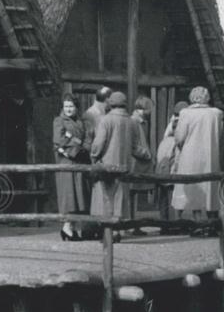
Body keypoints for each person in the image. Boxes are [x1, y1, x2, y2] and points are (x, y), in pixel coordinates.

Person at [90, 92, 150, 226]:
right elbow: (135, 147)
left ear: (111, 103)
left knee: (106, 198)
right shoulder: (131, 122)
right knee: (120, 199)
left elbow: (98, 144)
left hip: (106, 166)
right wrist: (146, 154)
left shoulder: (105, 120)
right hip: (124, 166)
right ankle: (117, 229)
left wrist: (94, 156)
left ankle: (108, 233)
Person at [171, 86, 223, 220]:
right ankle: (211, 221)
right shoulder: (216, 114)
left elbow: (179, 137)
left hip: (190, 155)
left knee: (190, 187)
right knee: (210, 187)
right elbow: (220, 134)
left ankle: (194, 220)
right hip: (210, 155)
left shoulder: (185, 113)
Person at [52, 94, 90, 241]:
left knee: (78, 196)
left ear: (76, 107)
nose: (68, 109)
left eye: (71, 106)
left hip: (80, 161)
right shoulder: (59, 121)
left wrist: (73, 140)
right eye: (66, 106)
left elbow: (86, 140)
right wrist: (75, 143)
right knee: (67, 195)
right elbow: (59, 140)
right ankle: (66, 227)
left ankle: (72, 228)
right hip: (66, 161)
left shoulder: (81, 122)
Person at [156, 100, 187, 220]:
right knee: (173, 197)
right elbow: (177, 158)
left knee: (164, 198)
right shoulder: (175, 139)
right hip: (171, 170)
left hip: (162, 170)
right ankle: (174, 221)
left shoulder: (165, 140)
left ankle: (164, 220)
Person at [130, 95, 154, 221]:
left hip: (141, 161)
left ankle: (133, 222)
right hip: (135, 162)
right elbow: (132, 144)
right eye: (149, 109)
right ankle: (129, 222)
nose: (150, 112)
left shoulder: (144, 122)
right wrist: (145, 153)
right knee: (131, 193)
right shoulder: (133, 121)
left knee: (135, 194)